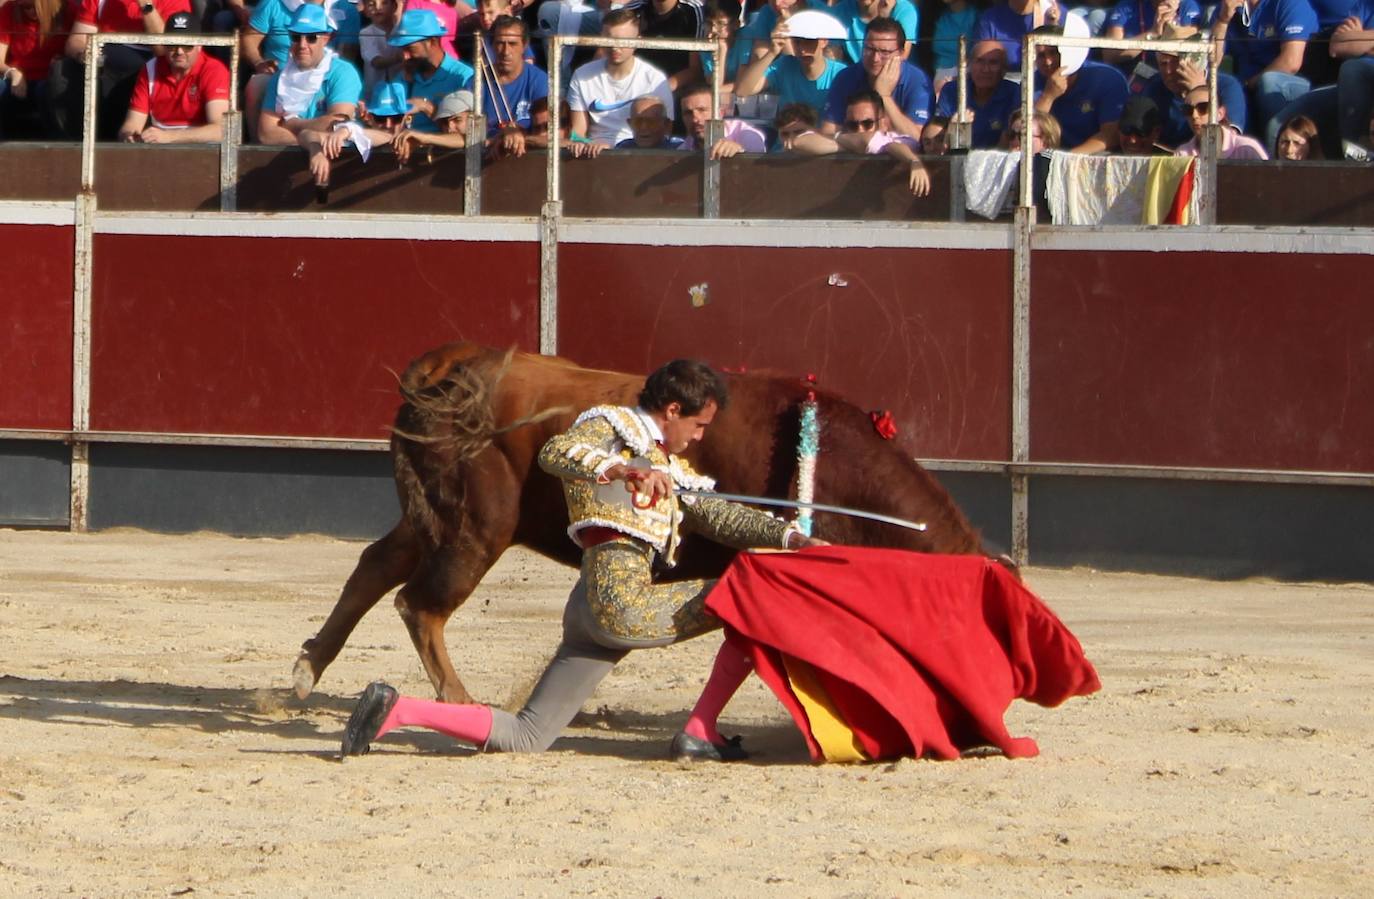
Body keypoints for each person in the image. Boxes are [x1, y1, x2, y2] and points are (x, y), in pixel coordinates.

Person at [340, 360, 828, 762]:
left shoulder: (665, 466)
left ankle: (396, 711)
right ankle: (701, 730)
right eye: (698, 425)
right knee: (755, 592)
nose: (700, 437)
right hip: (620, 603)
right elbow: (558, 452)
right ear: (674, 410)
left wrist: (790, 539)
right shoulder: (612, 428)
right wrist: (618, 468)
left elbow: (715, 515)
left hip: (589, 612)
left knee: (528, 735)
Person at [45, 0, 193, 140]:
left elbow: (164, 49)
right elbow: (76, 41)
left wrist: (146, 6)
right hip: (102, 64)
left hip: (145, 68)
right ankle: (76, 144)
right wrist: (84, 55)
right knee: (62, 70)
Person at [1209, 0, 1318, 145]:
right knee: (1221, 85)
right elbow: (1211, 62)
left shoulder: (1288, 3)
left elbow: (1291, 62)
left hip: (1293, 83)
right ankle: (1232, 152)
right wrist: (1223, 21)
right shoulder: (1226, 8)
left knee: (1268, 81)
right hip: (1246, 83)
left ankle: (1273, 156)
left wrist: (1248, 84)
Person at [789, 88, 932, 195]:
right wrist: (848, 144)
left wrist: (914, 161)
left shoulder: (902, 139)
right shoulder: (847, 140)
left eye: (867, 123)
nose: (860, 130)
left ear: (884, 123)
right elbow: (799, 142)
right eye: (852, 125)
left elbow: (888, 145)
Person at [566, 8, 673, 152]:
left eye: (623, 40)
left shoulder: (654, 79)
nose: (615, 47)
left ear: (638, 42)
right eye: (609, 39)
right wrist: (583, 145)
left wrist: (614, 148)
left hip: (638, 153)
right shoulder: (582, 75)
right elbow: (578, 132)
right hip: (592, 156)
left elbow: (665, 132)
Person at [256, 4, 363, 146]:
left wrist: (291, 124)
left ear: (326, 38)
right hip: (290, 160)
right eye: (295, 37)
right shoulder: (279, 77)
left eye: (311, 38)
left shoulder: (343, 72)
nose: (302, 44)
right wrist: (310, 142)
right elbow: (266, 135)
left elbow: (337, 126)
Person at [117, 12, 230, 143]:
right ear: (164, 45)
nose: (179, 52)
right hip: (160, 149)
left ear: (200, 46)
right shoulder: (150, 69)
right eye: (173, 44)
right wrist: (129, 136)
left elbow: (222, 130)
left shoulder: (214, 70)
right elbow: (132, 124)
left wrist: (170, 137)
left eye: (187, 45)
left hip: (203, 149)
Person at [821, 16, 930, 140]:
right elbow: (828, 132)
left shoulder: (917, 81)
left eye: (884, 52)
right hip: (853, 154)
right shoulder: (846, 78)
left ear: (900, 53)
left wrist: (884, 96)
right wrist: (864, 142)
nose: (875, 58)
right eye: (869, 49)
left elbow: (918, 138)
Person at [1142, 25, 1247, 147]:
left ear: (1195, 61)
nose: (1168, 71)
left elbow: (1227, 143)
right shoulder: (1155, 87)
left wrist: (1199, 91)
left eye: (1176, 62)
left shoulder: (1227, 86)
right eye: (1163, 64)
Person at [1032, 22, 1128, 152]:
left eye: (1053, 53)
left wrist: (1068, 161)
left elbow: (1111, 135)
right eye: (1041, 56)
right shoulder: (1031, 81)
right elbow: (1024, 135)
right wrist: (1047, 97)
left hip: (1096, 156)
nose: (1048, 62)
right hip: (1047, 156)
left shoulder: (1106, 77)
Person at [733, 11, 845, 120]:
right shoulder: (783, 66)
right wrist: (772, 52)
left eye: (809, 41)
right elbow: (743, 91)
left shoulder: (840, 73)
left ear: (824, 42)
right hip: (787, 136)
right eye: (797, 42)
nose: (802, 50)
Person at [386, 7, 474, 132]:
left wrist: (426, 107)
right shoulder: (404, 76)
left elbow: (467, 133)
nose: (405, 57)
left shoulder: (463, 77)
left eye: (410, 49)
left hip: (446, 150)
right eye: (402, 49)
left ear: (432, 41)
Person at [0, 0, 69, 138]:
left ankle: (58, 144)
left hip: (49, 79)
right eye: (24, 7)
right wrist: (13, 73)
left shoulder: (68, 11)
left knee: (46, 90)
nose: (28, 11)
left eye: (30, 6)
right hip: (17, 80)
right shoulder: (9, 10)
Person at [934, 38, 1019, 148]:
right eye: (979, 61)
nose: (985, 69)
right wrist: (953, 128)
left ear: (1004, 69)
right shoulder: (952, 90)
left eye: (993, 63)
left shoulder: (1013, 92)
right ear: (969, 64)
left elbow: (1009, 140)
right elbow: (936, 134)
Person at [479, 14, 548, 145]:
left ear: (524, 45)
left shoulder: (540, 81)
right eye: (500, 43)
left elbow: (548, 133)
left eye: (512, 44)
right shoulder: (476, 82)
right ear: (492, 45)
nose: (506, 51)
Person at [623, 0, 705, 89]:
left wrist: (663, 88)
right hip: (637, 85)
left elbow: (696, 68)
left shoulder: (693, 10)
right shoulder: (632, 10)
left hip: (679, 88)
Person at [1173, 83, 1269, 157]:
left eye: (1203, 107)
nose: (1194, 116)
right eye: (1188, 110)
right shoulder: (1181, 154)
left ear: (1220, 113)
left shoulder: (1247, 148)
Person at [1099, 0, 1203, 67]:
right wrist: (1152, 33)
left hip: (1174, 73)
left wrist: (1174, 24)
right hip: (1134, 75)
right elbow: (1109, 55)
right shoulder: (1127, 6)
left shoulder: (1187, 6)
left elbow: (1191, 54)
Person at [679, 80, 767, 155]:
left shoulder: (743, 132)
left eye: (702, 110)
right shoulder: (683, 149)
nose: (695, 119)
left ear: (720, 113)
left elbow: (756, 153)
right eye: (688, 113)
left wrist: (739, 150)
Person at [973, 0, 1068, 70]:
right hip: (1004, 90)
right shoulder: (990, 19)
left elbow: (1067, 64)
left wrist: (1053, 27)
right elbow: (981, 67)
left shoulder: (1059, 14)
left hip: (1045, 87)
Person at [830, 0, 920, 64]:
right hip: (854, 78)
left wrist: (884, 17)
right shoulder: (841, 10)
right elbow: (832, 58)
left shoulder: (903, 10)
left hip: (896, 79)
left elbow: (900, 59)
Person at [931, 0, 980, 95]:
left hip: (966, 78)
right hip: (939, 77)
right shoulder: (940, 16)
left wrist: (952, 80)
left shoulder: (976, 17)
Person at [358, 0, 404, 95]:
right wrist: (398, 58)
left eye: (385, 3)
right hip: (375, 92)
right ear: (365, 10)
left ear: (394, 7)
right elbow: (376, 62)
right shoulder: (366, 33)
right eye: (371, 4)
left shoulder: (402, 30)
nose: (378, 8)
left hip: (401, 88)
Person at [614, 94, 685, 147]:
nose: (643, 127)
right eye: (638, 122)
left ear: (666, 124)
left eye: (651, 122)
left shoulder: (680, 148)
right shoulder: (622, 149)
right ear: (630, 124)